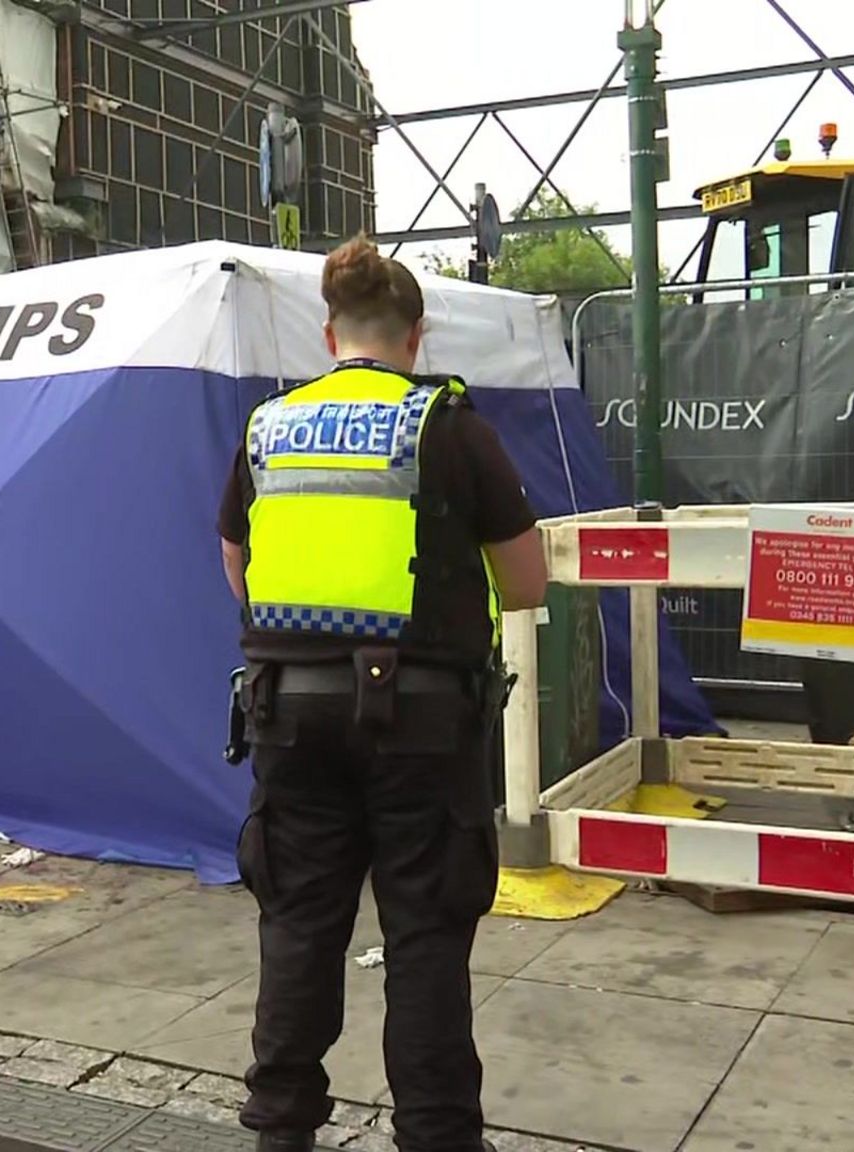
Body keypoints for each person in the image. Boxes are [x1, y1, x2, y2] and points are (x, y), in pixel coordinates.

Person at [215, 236, 548, 1152]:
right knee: (427, 939)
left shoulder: (269, 426)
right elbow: (526, 584)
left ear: (331, 334)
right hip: (424, 724)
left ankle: (279, 1131)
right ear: (416, 336)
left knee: (298, 931)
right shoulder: (449, 426)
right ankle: (438, 1139)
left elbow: (237, 564)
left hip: (289, 713)